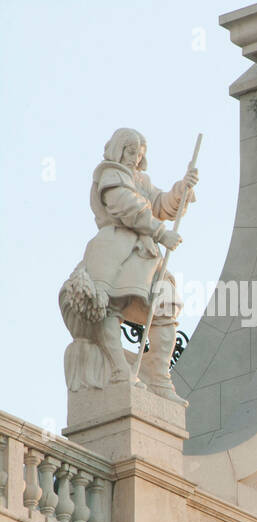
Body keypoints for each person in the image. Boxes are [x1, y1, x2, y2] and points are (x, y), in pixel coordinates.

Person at [70, 128, 197, 403]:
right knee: (110, 307)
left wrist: (181, 189)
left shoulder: (141, 180)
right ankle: (119, 370)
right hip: (116, 247)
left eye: (139, 155)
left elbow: (160, 205)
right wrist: (161, 233)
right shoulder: (110, 175)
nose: (135, 159)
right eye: (130, 152)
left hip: (145, 254)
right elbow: (127, 207)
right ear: (118, 150)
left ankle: (159, 378)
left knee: (166, 307)